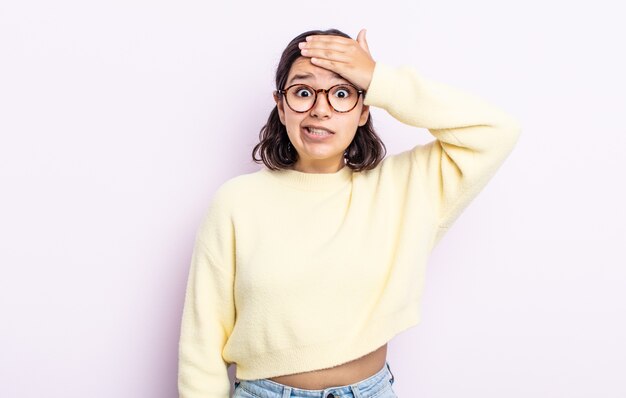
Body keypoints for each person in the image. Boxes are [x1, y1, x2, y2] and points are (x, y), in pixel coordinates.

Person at [177, 28, 521, 398]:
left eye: (342, 93)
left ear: (363, 109)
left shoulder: (404, 187)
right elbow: (202, 345)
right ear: (281, 104)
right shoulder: (236, 202)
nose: (320, 108)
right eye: (303, 92)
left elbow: (496, 132)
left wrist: (379, 79)